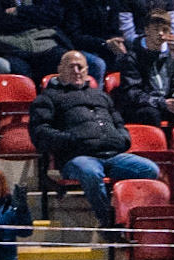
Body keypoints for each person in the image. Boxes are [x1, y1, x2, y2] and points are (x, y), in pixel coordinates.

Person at [29, 51, 162, 229]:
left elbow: (118, 122)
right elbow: (40, 132)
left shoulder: (101, 96)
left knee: (150, 169)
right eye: (71, 66)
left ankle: (131, 220)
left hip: (112, 155)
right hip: (77, 158)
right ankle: (107, 221)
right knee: (90, 173)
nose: (77, 71)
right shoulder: (47, 98)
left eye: (81, 67)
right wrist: (71, 140)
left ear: (87, 71)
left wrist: (123, 139)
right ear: (59, 69)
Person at [114, 8, 174, 127]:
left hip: (165, 104)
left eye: (165, 30)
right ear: (146, 30)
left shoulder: (172, 56)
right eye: (156, 29)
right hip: (142, 107)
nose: (161, 34)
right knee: (151, 114)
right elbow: (132, 93)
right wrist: (162, 103)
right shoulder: (133, 57)